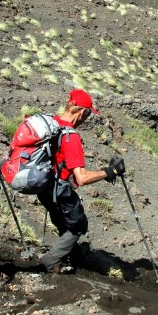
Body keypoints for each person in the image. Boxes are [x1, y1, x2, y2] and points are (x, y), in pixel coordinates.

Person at [37, 89, 124, 274]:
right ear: (83, 112)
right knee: (78, 225)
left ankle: (69, 254)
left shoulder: (52, 123)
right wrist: (110, 171)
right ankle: (52, 260)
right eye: (88, 114)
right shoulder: (71, 136)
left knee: (62, 220)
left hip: (43, 184)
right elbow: (81, 178)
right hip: (58, 187)